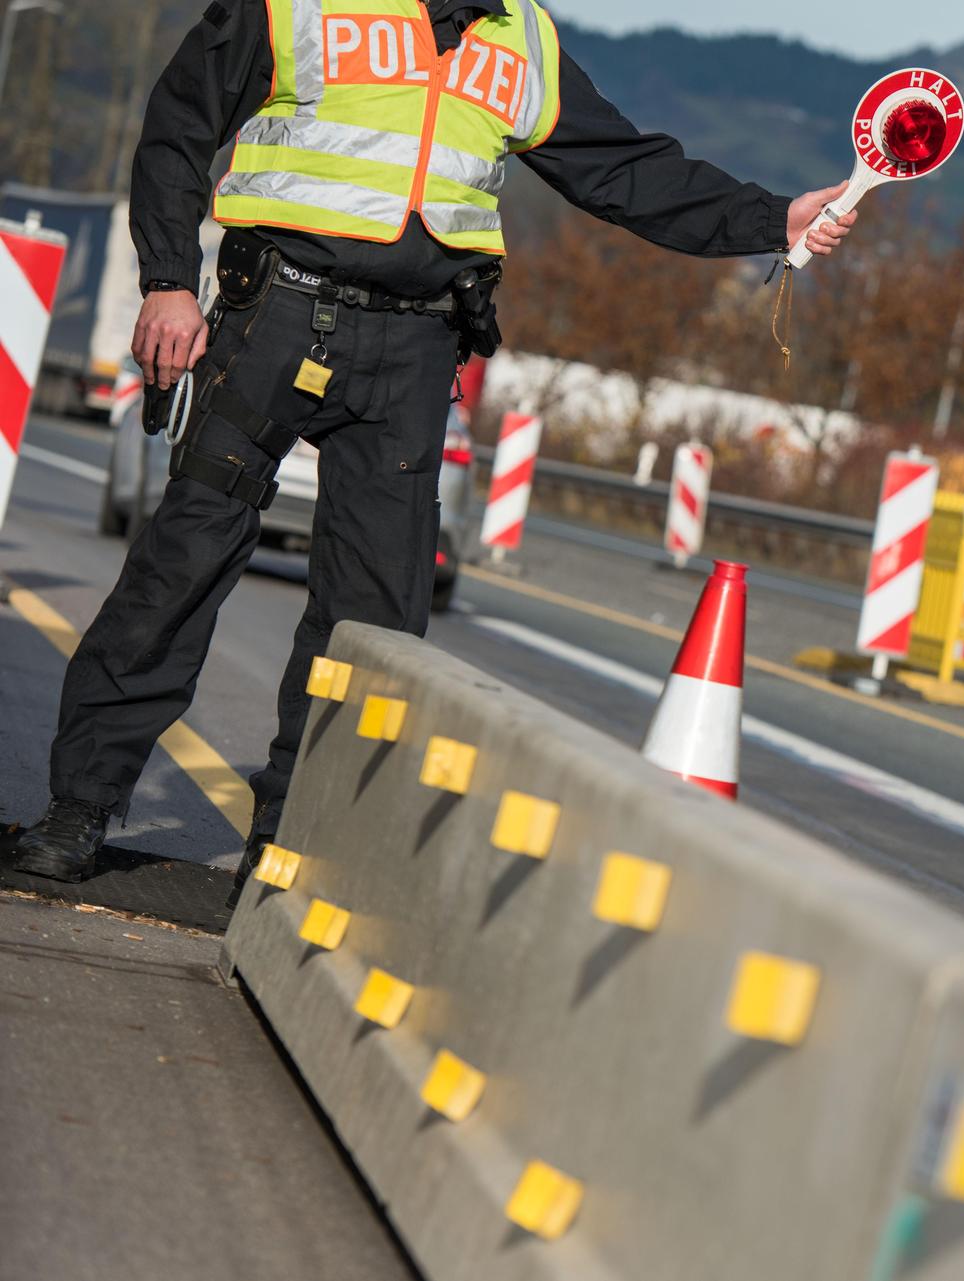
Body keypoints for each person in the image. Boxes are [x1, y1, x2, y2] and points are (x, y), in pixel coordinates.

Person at [4, 0, 855, 889]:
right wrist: (169, 279)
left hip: (417, 349)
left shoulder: (522, 37)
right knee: (182, 563)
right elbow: (180, 125)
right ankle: (79, 808)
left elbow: (628, 171)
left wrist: (776, 219)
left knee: (373, 623)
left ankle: (294, 842)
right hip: (279, 315)